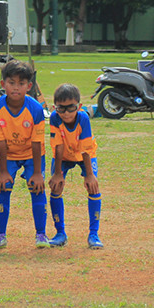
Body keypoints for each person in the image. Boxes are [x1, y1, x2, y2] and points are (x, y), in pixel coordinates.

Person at [0, 60, 49, 249]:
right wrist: (3, 171)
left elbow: (37, 142)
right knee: (3, 187)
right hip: (8, 155)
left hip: (33, 155)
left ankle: (41, 234)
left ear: (29, 86)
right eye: (11, 83)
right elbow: (0, 141)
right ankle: (0, 235)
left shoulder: (36, 109)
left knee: (37, 188)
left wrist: (38, 173)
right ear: (3, 84)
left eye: (21, 84)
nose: (16, 88)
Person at [48, 83, 103, 249]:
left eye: (70, 108)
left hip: (84, 155)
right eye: (61, 108)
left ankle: (94, 234)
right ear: (54, 107)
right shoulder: (54, 118)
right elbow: (57, 146)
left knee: (93, 187)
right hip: (63, 156)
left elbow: (86, 149)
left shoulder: (83, 118)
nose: (66, 113)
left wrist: (89, 175)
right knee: (56, 187)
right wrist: (58, 173)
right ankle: (60, 233)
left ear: (79, 106)